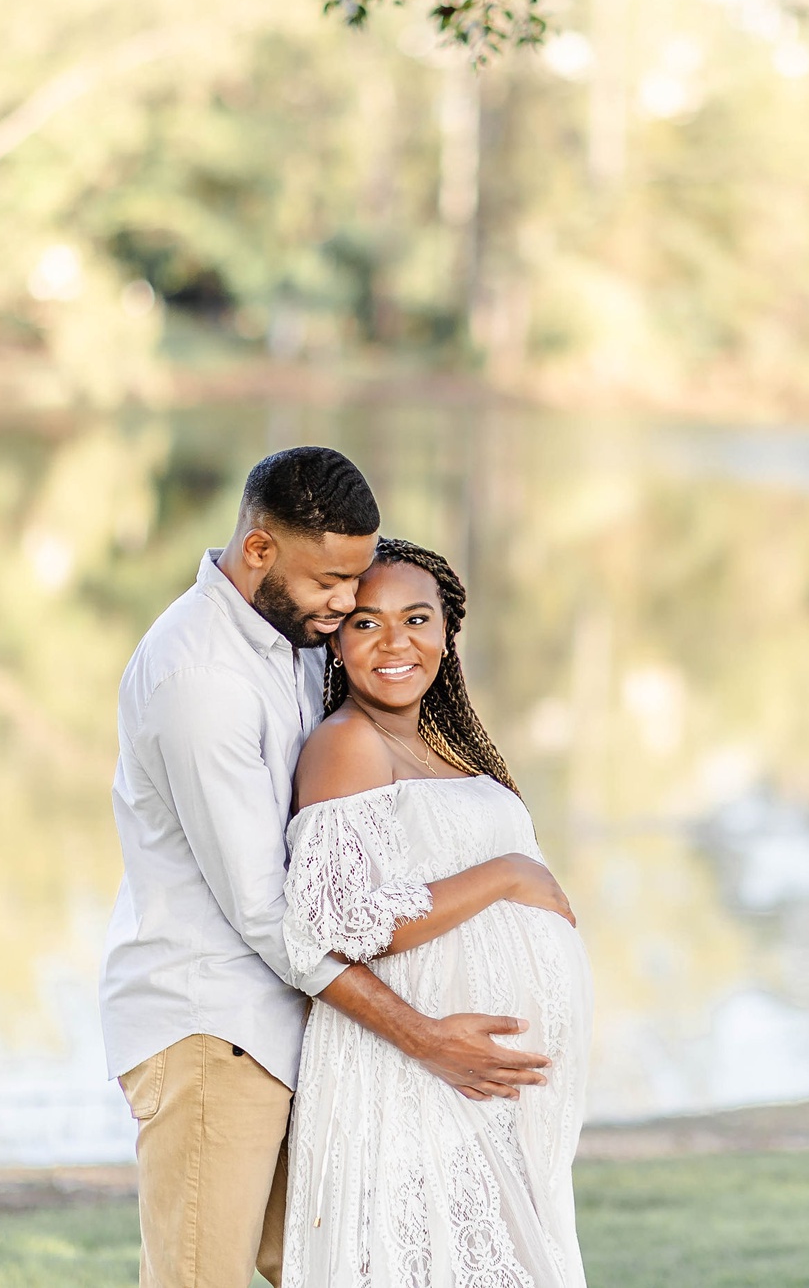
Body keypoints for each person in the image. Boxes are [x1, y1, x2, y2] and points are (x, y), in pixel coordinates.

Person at [101, 450, 551, 1288]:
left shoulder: (290, 641)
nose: (347, 604)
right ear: (261, 550)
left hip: (296, 1028)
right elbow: (273, 912)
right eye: (332, 582)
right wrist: (426, 1039)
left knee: (336, 1265)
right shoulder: (202, 679)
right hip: (214, 1029)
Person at [281, 539, 591, 1288]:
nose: (395, 642)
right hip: (406, 1080)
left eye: (417, 618)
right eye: (365, 623)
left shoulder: (435, 747)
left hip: (476, 1091)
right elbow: (340, 924)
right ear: (336, 641)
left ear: (448, 633)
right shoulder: (346, 743)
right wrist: (508, 873)